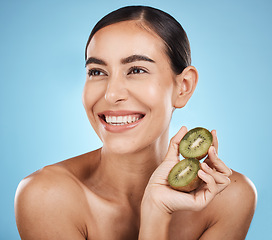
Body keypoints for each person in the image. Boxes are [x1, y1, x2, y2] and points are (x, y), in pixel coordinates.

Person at [15, 5, 257, 240]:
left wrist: (157, 208)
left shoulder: (229, 198)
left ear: (183, 87)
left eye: (136, 70)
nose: (111, 94)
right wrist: (155, 215)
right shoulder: (46, 196)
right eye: (97, 72)